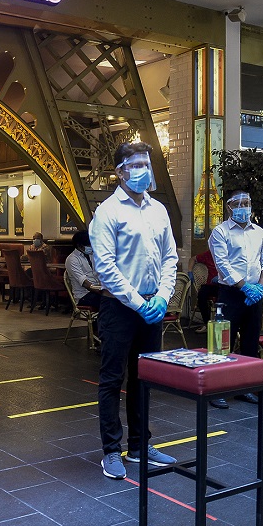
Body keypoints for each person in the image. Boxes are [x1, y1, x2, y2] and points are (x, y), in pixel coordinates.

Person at [90, 141, 178, 480]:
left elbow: (170, 256)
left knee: (145, 379)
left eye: (146, 162)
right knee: (113, 380)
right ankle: (111, 450)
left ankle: (141, 446)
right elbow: (106, 268)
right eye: (136, 163)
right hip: (119, 307)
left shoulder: (158, 210)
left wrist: (164, 295)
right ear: (121, 171)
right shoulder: (108, 212)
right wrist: (139, 303)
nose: (143, 168)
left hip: (152, 305)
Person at [208, 191, 263, 409]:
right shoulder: (220, 232)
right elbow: (223, 264)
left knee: (250, 343)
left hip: (254, 294)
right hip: (230, 294)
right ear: (229, 207)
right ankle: (216, 391)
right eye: (239, 203)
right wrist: (244, 286)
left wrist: (259, 288)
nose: (244, 207)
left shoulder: (259, 232)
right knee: (221, 344)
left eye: (247, 202)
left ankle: (245, 389)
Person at [65, 230, 102, 333]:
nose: (91, 246)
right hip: (84, 296)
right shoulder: (72, 259)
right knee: (109, 303)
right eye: (89, 244)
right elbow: (86, 284)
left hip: (96, 291)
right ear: (80, 246)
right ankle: (99, 336)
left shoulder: (92, 255)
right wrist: (102, 290)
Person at [187, 249, 220, 334]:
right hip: (212, 285)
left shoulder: (229, 254)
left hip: (225, 285)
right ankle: (207, 323)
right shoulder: (209, 254)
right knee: (202, 294)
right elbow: (192, 259)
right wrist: (190, 271)